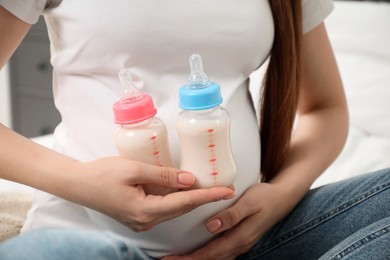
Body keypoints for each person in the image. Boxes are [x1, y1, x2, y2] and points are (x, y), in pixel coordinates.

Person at [0, 0, 389, 259]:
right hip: (93, 240)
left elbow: (326, 109)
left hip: (249, 245)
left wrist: (276, 200)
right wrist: (82, 182)